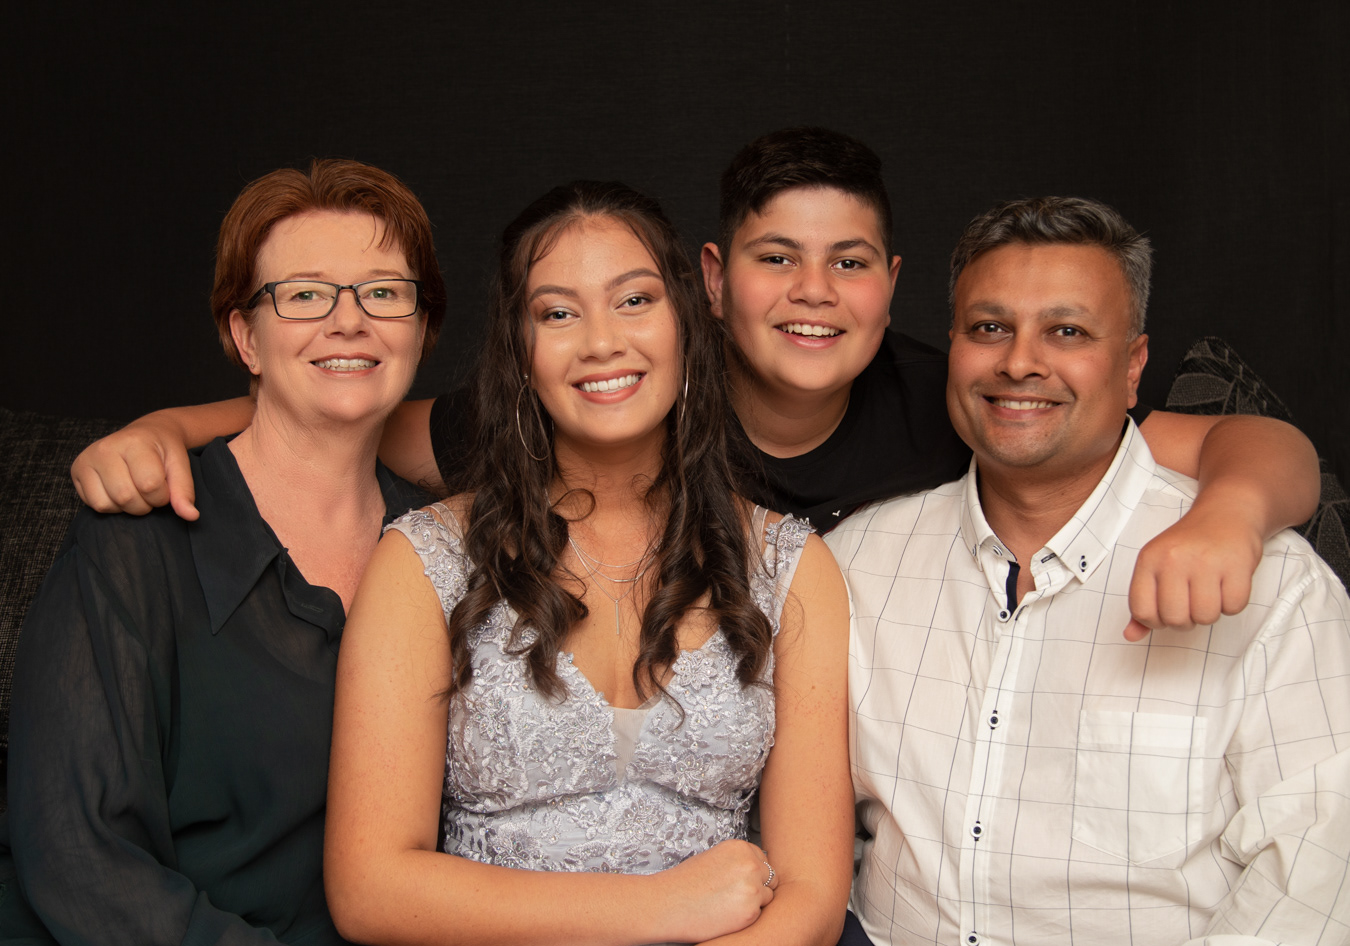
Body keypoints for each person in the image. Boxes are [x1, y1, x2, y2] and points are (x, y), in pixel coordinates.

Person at [65, 129, 1322, 644]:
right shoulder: (624, 388)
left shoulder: (963, 399)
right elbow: (355, 415)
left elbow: (1255, 446)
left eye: (849, 264)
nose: (813, 295)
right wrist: (174, 423)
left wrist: (1227, 516)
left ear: (891, 286)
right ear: (712, 282)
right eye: (776, 259)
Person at [323, 180, 854, 946]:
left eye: (634, 300)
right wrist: (664, 903)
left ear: (687, 321)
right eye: (558, 312)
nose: (602, 341)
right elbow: (369, 887)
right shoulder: (424, 562)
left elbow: (810, 896)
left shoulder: (792, 568)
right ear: (519, 351)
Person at [816, 196, 1350, 946]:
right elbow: (792, 828)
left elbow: (1319, 882)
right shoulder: (855, 564)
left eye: (1066, 332)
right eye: (990, 327)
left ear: (1133, 368)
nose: (1020, 361)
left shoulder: (1272, 582)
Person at [0, 160, 506, 946]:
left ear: (422, 327)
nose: (348, 320)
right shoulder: (137, 536)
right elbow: (75, 850)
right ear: (246, 335)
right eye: (304, 294)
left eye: (384, 292)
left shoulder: (450, 555)